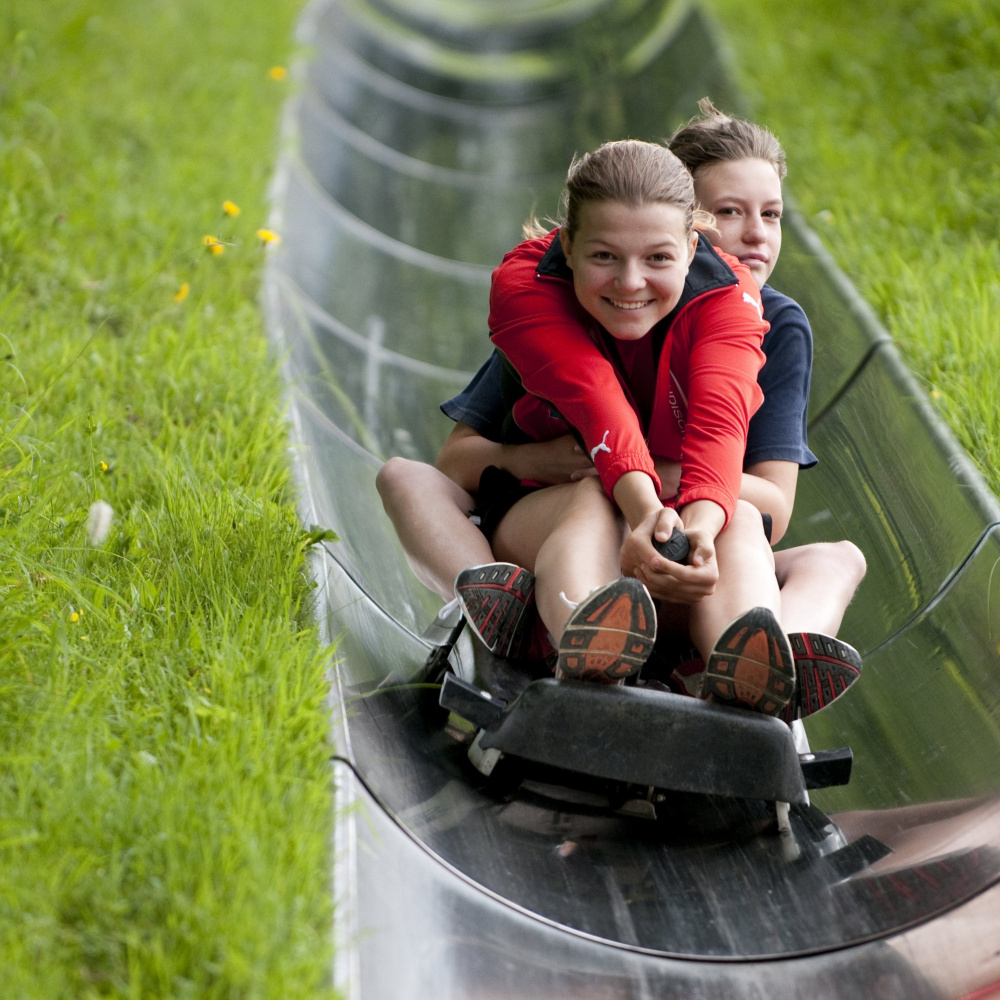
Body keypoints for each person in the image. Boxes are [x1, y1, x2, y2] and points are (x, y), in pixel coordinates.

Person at [378, 106, 865, 718]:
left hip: (687, 538)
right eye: (728, 212)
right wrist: (564, 468)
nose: (752, 234)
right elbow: (586, 406)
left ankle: (759, 665)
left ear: (687, 246)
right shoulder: (543, 301)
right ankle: (553, 628)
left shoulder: (752, 317)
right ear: (572, 248)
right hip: (562, 522)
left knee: (768, 529)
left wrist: (681, 518)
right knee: (580, 493)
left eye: (770, 214)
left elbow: (732, 449)